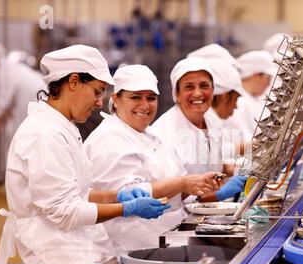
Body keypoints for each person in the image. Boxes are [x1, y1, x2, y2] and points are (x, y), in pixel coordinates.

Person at [0, 45, 170, 264]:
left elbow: (76, 193)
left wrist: (115, 196)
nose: (100, 103)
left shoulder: (63, 127)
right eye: (98, 92)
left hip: (77, 244)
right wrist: (127, 209)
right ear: (74, 82)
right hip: (58, 255)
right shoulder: (43, 134)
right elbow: (65, 212)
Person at [84, 64, 220, 253]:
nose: (145, 105)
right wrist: (183, 182)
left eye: (151, 98)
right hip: (134, 248)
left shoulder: (151, 134)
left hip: (168, 237)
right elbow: (130, 195)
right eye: (135, 97)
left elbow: (175, 191)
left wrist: (197, 185)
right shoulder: (109, 138)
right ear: (116, 100)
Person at [152, 57, 247, 202]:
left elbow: (211, 163)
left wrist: (236, 170)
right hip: (175, 220)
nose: (197, 93)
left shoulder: (211, 121)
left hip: (202, 214)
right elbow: (170, 196)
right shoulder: (164, 132)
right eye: (189, 87)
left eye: (204, 86)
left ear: (213, 90)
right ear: (177, 94)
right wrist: (218, 194)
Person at [0, 39, 46, 156]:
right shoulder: (6, 66)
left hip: (34, 98)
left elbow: (0, 104)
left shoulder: (3, 71)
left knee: (24, 140)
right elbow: (5, 104)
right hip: (35, 96)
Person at [228, 50, 279, 136]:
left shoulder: (259, 99)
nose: (269, 84)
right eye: (268, 78)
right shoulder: (237, 102)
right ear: (256, 75)